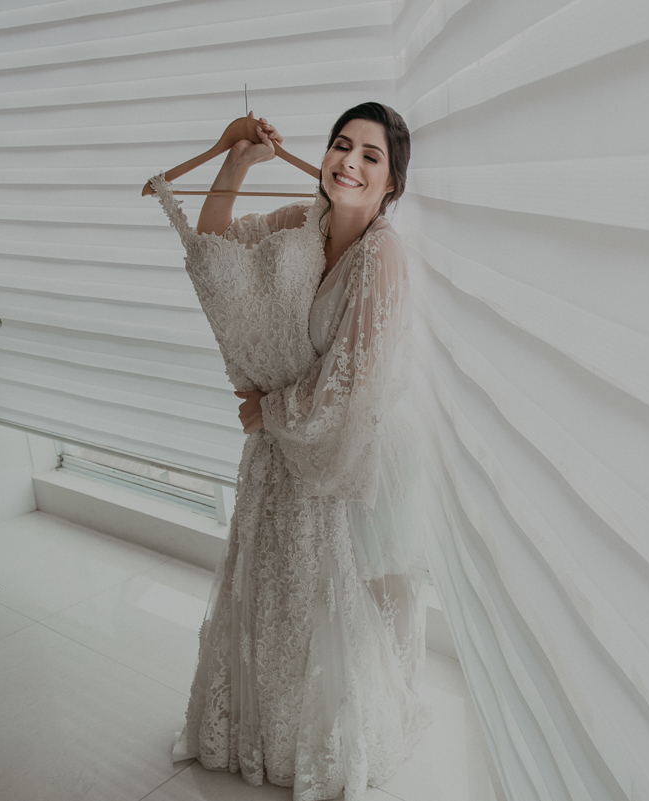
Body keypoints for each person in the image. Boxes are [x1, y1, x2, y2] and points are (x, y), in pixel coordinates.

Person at [148, 102, 431, 800]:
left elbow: (355, 380)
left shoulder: (384, 253)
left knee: (344, 605)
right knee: (284, 595)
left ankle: (337, 734)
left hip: (355, 445)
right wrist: (237, 160)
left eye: (370, 156)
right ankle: (274, 727)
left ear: (392, 182)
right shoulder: (304, 222)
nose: (349, 162)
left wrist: (266, 410)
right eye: (341, 145)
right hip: (288, 440)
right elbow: (213, 248)